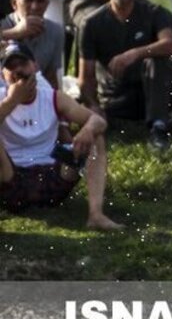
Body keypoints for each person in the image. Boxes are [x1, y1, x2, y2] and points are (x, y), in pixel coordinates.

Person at [0, 40, 121, 230]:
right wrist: (13, 99)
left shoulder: (51, 96)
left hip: (52, 175)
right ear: (3, 74)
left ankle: (96, 214)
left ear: (35, 66)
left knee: (96, 137)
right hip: (10, 178)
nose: (18, 71)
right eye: (11, 67)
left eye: (22, 64)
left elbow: (99, 121)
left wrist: (87, 130)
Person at [79, 0, 172, 150]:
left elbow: (171, 44)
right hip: (116, 100)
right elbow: (86, 77)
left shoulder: (156, 13)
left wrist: (134, 53)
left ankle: (158, 127)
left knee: (157, 59)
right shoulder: (91, 24)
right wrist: (93, 106)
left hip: (154, 94)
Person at [1, 0, 64, 86]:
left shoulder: (55, 31)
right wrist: (15, 33)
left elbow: (50, 76)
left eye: (40, 1)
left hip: (35, 93)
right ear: (14, 3)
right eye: (28, 0)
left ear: (47, 4)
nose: (34, 7)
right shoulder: (3, 24)